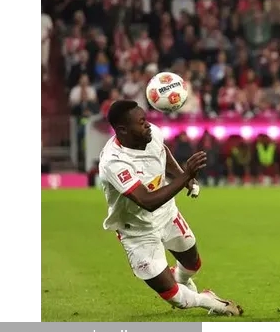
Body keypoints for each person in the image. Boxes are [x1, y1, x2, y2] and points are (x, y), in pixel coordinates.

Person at [98, 100, 243, 316]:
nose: (148, 125)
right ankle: (209, 301)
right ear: (123, 130)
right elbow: (147, 201)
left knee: (193, 265)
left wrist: (183, 178)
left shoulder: (152, 134)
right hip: (137, 231)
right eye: (141, 122)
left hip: (167, 214)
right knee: (176, 298)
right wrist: (186, 175)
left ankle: (180, 279)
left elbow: (162, 152)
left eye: (146, 119)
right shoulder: (115, 162)